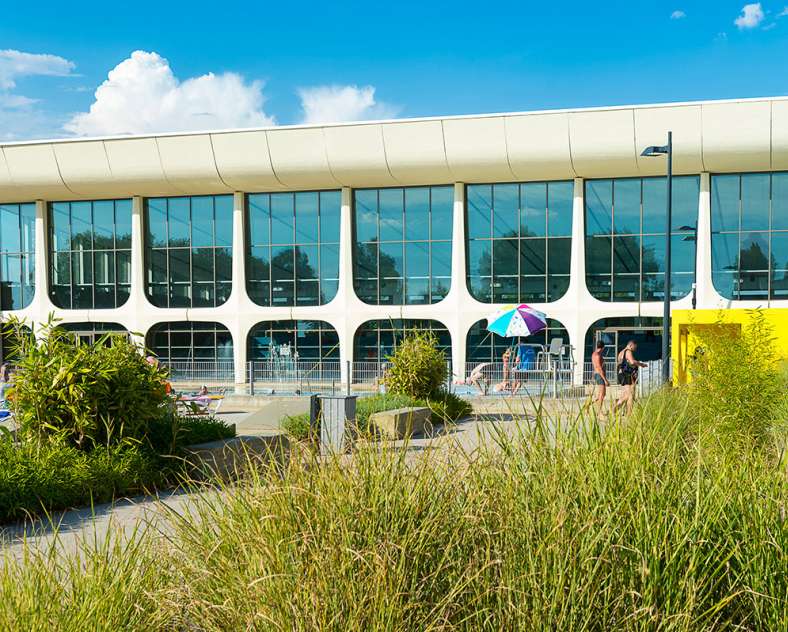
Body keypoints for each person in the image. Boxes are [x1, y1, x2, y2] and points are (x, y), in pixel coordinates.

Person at [614, 340, 647, 415]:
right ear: (631, 345)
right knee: (630, 395)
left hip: (621, 374)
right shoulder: (628, 351)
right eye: (635, 347)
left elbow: (621, 364)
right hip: (627, 374)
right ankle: (616, 408)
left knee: (626, 394)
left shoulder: (621, 352)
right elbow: (632, 362)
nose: (635, 349)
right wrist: (641, 364)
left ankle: (628, 412)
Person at [589, 341, 609, 414]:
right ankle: (599, 411)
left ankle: (587, 405)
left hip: (597, 374)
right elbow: (599, 368)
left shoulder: (594, 354)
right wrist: (605, 380)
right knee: (601, 395)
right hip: (600, 375)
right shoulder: (597, 355)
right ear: (603, 347)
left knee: (602, 394)